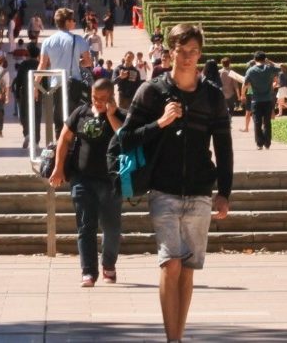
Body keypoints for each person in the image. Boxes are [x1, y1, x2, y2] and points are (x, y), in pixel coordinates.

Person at [119, 23, 233, 343]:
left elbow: (223, 145)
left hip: (199, 191)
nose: (187, 58)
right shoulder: (151, 92)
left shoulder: (211, 95)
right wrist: (160, 122)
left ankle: (177, 337)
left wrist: (224, 192)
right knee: (171, 263)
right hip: (163, 190)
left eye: (193, 52)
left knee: (187, 268)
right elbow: (125, 139)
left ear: (200, 54)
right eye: (181, 51)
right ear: (170, 52)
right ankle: (172, 340)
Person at [49, 78, 125, 287]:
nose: (97, 102)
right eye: (94, 97)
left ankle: (108, 264)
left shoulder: (120, 115)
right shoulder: (80, 112)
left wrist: (110, 115)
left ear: (111, 96)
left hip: (111, 180)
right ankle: (88, 272)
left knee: (111, 228)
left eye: (102, 98)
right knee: (85, 226)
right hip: (82, 179)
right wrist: (58, 167)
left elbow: (125, 138)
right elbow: (64, 138)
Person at [35, 8, 91, 139]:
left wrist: (35, 85)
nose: (75, 22)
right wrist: (78, 63)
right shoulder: (78, 40)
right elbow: (88, 62)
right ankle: (72, 148)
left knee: (58, 119)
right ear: (67, 22)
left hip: (55, 85)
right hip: (73, 84)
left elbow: (42, 64)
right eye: (73, 20)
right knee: (74, 119)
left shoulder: (48, 41)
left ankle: (59, 147)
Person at [242, 51, 281, 150]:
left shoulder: (250, 70)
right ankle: (267, 143)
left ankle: (259, 143)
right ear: (265, 59)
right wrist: (269, 61)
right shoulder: (269, 68)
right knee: (267, 122)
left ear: (255, 59)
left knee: (257, 122)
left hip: (256, 100)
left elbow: (245, 84)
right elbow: (280, 68)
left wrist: (242, 95)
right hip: (268, 99)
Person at [15, 46, 42, 149]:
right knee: (37, 116)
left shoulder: (24, 64)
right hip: (38, 93)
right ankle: (36, 141)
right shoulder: (40, 64)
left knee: (24, 115)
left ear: (28, 53)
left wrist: (17, 92)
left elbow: (18, 80)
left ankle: (27, 133)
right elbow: (44, 79)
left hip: (25, 92)